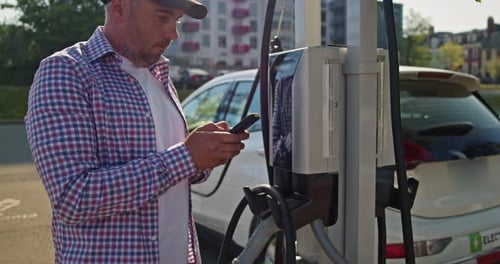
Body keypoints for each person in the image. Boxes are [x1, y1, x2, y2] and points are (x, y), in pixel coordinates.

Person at [24, 0, 249, 263]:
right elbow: (74, 197)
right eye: (162, 17)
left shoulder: (159, 74)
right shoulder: (66, 71)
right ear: (119, 7)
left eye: (176, 21)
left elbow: (169, 177)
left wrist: (205, 155)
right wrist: (186, 156)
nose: (173, 33)